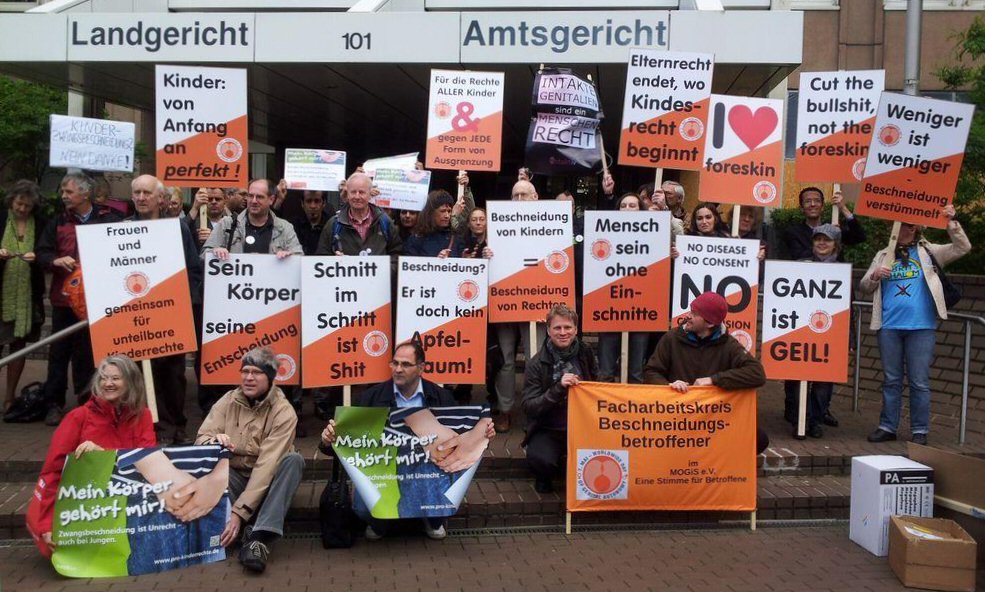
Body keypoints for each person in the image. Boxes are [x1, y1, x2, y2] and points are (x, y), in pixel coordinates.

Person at [319, 340, 495, 540]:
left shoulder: (441, 397)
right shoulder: (371, 397)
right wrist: (328, 440)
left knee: (439, 476)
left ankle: (432, 519)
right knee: (361, 510)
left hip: (428, 468)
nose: (398, 369)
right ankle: (380, 523)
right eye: (394, 363)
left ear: (421, 368)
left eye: (405, 364)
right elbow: (349, 444)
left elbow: (464, 438)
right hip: (383, 469)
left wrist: (484, 435)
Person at [859, 206, 971, 445]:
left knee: (919, 381)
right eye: (897, 224)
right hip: (889, 326)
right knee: (891, 379)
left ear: (917, 227)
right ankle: (887, 426)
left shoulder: (929, 251)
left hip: (921, 326)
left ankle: (920, 429)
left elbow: (963, 247)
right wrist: (875, 274)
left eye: (908, 224)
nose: (902, 228)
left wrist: (952, 222)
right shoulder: (882, 254)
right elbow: (864, 286)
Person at [26, 355, 156, 557]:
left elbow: (147, 465)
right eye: (103, 378)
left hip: (126, 508)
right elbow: (52, 473)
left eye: (115, 378)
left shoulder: (143, 415)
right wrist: (47, 525)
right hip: (84, 508)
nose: (108, 383)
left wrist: (103, 455)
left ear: (131, 381)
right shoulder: (78, 417)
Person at [195, 347, 304, 573]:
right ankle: (231, 527)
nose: (248, 377)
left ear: (270, 377)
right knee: (210, 464)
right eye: (245, 371)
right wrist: (213, 441)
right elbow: (200, 441)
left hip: (267, 487)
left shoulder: (284, 412)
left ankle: (259, 538)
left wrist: (238, 513)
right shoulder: (228, 400)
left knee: (293, 461)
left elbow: (266, 467)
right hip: (233, 478)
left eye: (256, 372)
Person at [36, 172, 123, 425]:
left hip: (95, 301)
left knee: (88, 353)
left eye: (69, 192)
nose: (63, 196)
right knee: (58, 353)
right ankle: (54, 403)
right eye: (63, 192)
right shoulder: (58, 221)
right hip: (64, 300)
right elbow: (42, 252)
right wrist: (54, 260)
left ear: (86, 193)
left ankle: (87, 403)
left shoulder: (109, 219)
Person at [643, 291, 769, 455]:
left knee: (759, 439)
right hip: (676, 415)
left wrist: (713, 380)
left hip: (712, 418)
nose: (688, 316)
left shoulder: (728, 345)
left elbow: (757, 374)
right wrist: (668, 385)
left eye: (695, 314)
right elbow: (651, 371)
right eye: (690, 310)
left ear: (709, 324)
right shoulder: (672, 338)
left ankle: (725, 472)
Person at [128, 175, 203, 445]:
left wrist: (183, 304)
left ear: (161, 198)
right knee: (139, 375)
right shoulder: (122, 230)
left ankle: (175, 425)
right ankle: (146, 427)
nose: (140, 197)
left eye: (146, 192)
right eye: (136, 192)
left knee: (172, 374)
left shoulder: (179, 229)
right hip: (135, 318)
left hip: (171, 314)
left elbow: (193, 269)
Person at [490, 180, 547, 432]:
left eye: (525, 195)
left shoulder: (550, 223)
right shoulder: (497, 223)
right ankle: (505, 410)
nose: (520, 200)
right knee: (506, 360)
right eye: (515, 195)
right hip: (505, 300)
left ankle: (537, 410)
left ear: (536, 197)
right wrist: (486, 254)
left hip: (537, 300)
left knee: (538, 358)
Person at [521, 305, 597, 493]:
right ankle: (545, 475)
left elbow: (597, 384)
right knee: (541, 460)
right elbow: (529, 406)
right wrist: (558, 388)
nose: (563, 333)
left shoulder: (586, 353)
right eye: (557, 328)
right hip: (548, 427)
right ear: (548, 331)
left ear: (576, 330)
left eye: (567, 327)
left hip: (582, 425)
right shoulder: (536, 364)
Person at [785, 224, 844, 439]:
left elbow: (848, 308)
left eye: (826, 240)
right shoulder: (801, 265)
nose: (821, 243)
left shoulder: (841, 271)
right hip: (800, 330)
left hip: (829, 333)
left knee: (823, 383)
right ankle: (798, 419)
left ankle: (815, 420)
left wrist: (849, 340)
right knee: (795, 380)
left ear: (835, 244)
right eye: (817, 239)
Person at [0, 180, 46, 412]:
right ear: (12, 200)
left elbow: (46, 252)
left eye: (27, 206)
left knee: (19, 347)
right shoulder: (1, 219)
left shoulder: (38, 223)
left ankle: (10, 397)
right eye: (19, 204)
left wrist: (36, 256)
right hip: (2, 295)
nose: (22, 209)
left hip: (27, 297)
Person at [597, 193, 651, 385]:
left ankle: (630, 414)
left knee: (635, 372)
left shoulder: (652, 237)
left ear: (641, 210)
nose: (627, 209)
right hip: (609, 310)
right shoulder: (603, 236)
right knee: (605, 372)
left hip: (640, 311)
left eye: (633, 206)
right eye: (624, 205)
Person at [203, 178, 303, 261]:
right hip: (235, 284)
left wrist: (289, 257)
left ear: (271, 199)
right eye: (250, 196)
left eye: (259, 197)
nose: (253, 201)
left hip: (270, 284)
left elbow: (299, 258)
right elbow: (204, 255)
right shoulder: (227, 224)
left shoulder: (285, 228)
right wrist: (215, 252)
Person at [315, 172, 402, 258]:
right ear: (348, 194)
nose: (357, 197)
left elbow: (396, 254)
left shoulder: (384, 222)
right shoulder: (334, 224)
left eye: (361, 192)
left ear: (370, 194)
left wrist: (384, 269)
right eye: (353, 192)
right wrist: (334, 262)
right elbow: (321, 258)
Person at [782, 187, 865, 261]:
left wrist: (843, 208)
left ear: (822, 207)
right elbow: (799, 256)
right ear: (801, 208)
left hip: (835, 275)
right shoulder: (793, 232)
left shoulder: (834, 229)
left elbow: (859, 237)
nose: (813, 204)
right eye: (808, 201)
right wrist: (827, 240)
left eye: (817, 201)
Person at [404, 189, 464, 258]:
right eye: (442, 211)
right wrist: (435, 262)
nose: (447, 216)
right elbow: (409, 266)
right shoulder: (416, 239)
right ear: (431, 213)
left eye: (449, 211)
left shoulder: (456, 237)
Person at [291, 190, 335, 256]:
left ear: (324, 203)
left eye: (317, 201)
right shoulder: (293, 226)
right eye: (308, 201)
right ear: (302, 204)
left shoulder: (332, 225)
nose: (313, 206)